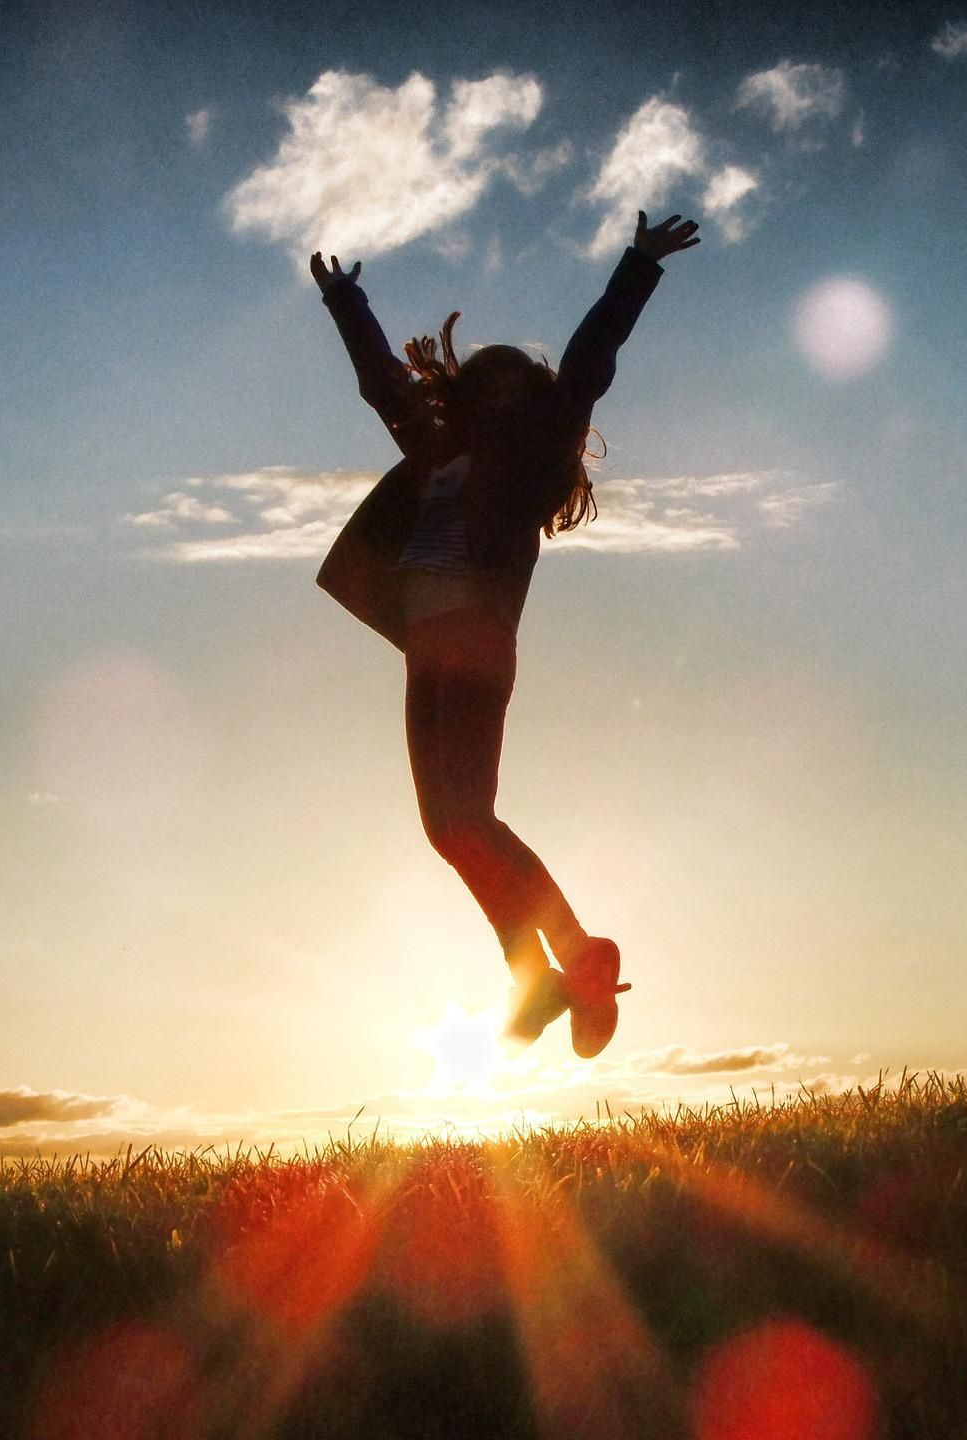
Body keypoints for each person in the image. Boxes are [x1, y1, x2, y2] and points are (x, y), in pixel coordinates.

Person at [311, 210, 701, 1057]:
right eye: (480, 382)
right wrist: (346, 303)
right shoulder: (434, 446)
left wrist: (637, 264)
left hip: (478, 639)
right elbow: (386, 386)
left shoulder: (533, 451)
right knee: (449, 826)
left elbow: (591, 363)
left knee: (471, 816)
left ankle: (558, 962)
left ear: (521, 396)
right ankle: (556, 970)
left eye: (504, 381)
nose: (490, 390)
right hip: (428, 643)